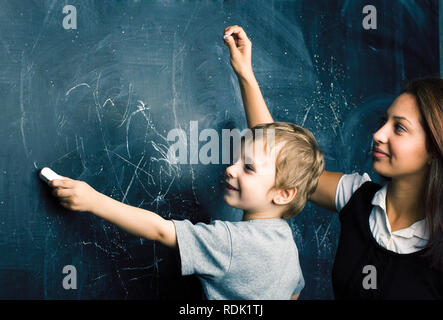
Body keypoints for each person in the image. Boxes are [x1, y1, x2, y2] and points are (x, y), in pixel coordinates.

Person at [223, 25, 443, 299]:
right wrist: (245, 74)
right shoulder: (357, 197)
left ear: (435, 148)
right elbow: (281, 158)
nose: (378, 134)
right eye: (383, 122)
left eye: (399, 128)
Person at [47, 121, 324, 300]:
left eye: (248, 167)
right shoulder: (285, 239)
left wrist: (93, 201)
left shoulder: (229, 242)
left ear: (284, 194)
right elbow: (294, 291)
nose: (230, 168)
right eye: (236, 160)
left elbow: (159, 229)